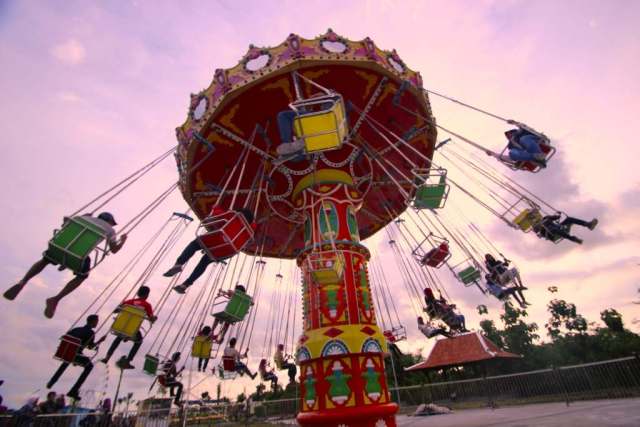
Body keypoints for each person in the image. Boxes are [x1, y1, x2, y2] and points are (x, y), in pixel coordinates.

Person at [4, 212, 127, 318]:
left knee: (45, 260)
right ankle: (55, 299)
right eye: (112, 222)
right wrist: (123, 240)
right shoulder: (110, 230)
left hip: (59, 247)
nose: (112, 225)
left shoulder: (80, 218)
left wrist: (82, 216)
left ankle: (23, 281)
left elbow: (65, 224)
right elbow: (114, 249)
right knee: (82, 276)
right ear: (109, 221)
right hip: (78, 256)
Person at [165, 207, 256, 294]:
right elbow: (253, 228)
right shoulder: (249, 231)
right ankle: (186, 284)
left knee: (195, 244)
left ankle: (179, 263)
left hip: (218, 239)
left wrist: (216, 207)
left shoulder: (234, 216)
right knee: (204, 262)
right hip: (227, 251)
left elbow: (216, 215)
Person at [47, 314, 105, 401]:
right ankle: (74, 390)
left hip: (65, 352)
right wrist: (100, 341)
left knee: (68, 358)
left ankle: (52, 381)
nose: (97, 323)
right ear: (93, 322)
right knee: (89, 366)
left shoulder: (76, 329)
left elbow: (65, 338)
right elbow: (90, 347)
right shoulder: (90, 333)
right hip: (76, 355)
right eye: (96, 321)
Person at [101, 286, 156, 369]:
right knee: (139, 341)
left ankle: (107, 357)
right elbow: (151, 319)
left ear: (138, 293)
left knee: (119, 337)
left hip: (120, 326)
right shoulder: (147, 305)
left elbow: (116, 310)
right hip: (133, 330)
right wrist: (154, 318)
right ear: (147, 295)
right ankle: (128, 361)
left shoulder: (129, 301)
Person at [532, 213, 598, 244]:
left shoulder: (545, 218)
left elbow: (555, 217)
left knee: (569, 219)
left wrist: (557, 215)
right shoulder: (537, 227)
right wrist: (539, 227)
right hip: (552, 234)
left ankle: (588, 224)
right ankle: (573, 239)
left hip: (558, 227)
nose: (536, 218)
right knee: (553, 229)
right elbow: (537, 231)